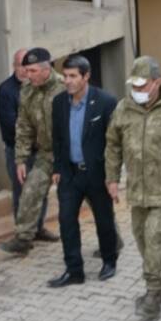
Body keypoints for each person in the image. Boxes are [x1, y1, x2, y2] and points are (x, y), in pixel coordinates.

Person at [104, 55, 161, 321]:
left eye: (143, 86)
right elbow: (113, 144)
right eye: (135, 86)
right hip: (137, 190)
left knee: (156, 240)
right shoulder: (124, 108)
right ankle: (160, 286)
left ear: (158, 82)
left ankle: (153, 294)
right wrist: (111, 178)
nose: (138, 92)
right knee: (142, 240)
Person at [47, 53, 118, 288]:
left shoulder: (106, 102)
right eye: (65, 76)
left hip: (96, 173)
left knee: (104, 219)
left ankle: (109, 261)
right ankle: (74, 270)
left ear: (86, 76)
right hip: (69, 173)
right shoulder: (58, 103)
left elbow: (115, 142)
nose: (67, 81)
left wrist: (112, 176)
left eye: (73, 76)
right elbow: (57, 138)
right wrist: (57, 167)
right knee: (66, 220)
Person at [0, 48, 66, 256]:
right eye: (26, 70)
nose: (28, 75)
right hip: (46, 154)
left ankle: (111, 240)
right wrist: (20, 160)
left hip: (71, 154)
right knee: (30, 191)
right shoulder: (27, 90)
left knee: (93, 197)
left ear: (47, 70)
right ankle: (23, 238)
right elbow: (24, 127)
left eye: (33, 71)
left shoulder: (66, 87)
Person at [0, 48, 50, 238]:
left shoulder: (38, 87)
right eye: (20, 65)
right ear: (14, 66)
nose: (24, 71)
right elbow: (12, 124)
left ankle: (38, 227)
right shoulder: (7, 90)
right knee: (22, 193)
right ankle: (22, 233)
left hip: (40, 150)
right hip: (18, 150)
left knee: (40, 190)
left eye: (28, 67)